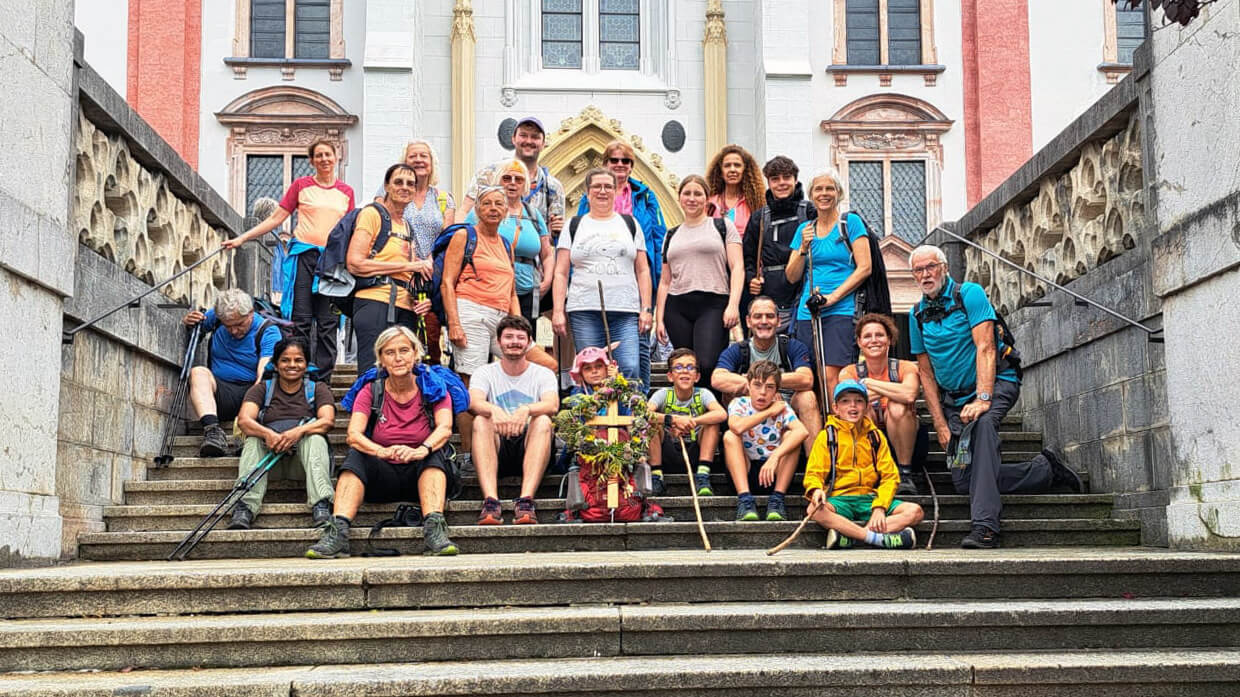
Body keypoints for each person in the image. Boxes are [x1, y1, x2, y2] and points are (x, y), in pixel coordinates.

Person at [908, 245, 1083, 549]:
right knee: (964, 481)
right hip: (954, 400)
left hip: (997, 382)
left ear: (944, 267)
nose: (925, 275)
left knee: (985, 426)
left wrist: (983, 397)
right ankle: (1044, 470)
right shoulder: (916, 314)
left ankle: (986, 527)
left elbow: (986, 346)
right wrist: (940, 425)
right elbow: (925, 373)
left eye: (930, 267)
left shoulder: (970, 294)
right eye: (919, 270)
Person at [307, 326, 458, 558]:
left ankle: (434, 531)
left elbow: (445, 428)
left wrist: (420, 450)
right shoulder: (370, 390)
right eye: (390, 352)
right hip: (381, 473)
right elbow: (353, 434)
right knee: (355, 456)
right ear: (380, 359)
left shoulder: (433, 386)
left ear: (416, 354)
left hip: (420, 470)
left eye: (404, 350)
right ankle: (337, 533)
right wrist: (380, 451)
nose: (398, 358)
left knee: (434, 455)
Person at [224, 139, 354, 380]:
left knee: (328, 323)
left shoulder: (346, 192)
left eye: (328, 154)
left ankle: (322, 379)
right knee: (300, 319)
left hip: (332, 261)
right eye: (319, 155)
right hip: (303, 255)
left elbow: (350, 229)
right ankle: (299, 374)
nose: (324, 159)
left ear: (336, 158)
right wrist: (242, 238)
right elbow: (276, 218)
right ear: (312, 161)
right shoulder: (301, 185)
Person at [576, 140, 667, 390]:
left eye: (625, 161)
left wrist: (657, 281)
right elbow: (579, 237)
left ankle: (641, 403)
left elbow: (658, 237)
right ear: (604, 164)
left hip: (637, 278)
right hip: (601, 282)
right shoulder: (594, 194)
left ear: (631, 166)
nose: (619, 165)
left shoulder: (645, 195)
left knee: (638, 347)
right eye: (613, 160)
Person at [554, 168, 653, 385]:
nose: (602, 191)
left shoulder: (630, 224)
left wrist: (646, 309)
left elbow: (643, 270)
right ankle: (596, 417)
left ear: (616, 191)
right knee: (591, 370)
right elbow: (560, 272)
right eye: (596, 186)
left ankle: (626, 418)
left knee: (629, 366)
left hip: (625, 310)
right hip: (584, 310)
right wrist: (558, 311)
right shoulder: (573, 225)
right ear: (587, 193)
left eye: (608, 186)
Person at [228, 337, 335, 530]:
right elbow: (244, 420)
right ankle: (244, 506)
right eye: (285, 360)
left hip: (303, 463)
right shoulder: (261, 389)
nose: (292, 365)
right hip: (268, 463)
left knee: (316, 438)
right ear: (276, 365)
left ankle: (321, 504)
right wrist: (268, 434)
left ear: (306, 364)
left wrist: (298, 432)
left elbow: (327, 421)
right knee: (252, 440)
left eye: (298, 360)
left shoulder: (318, 389)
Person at [785, 169, 872, 404]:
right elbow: (792, 276)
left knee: (833, 375)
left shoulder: (850, 223)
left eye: (829, 189)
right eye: (819, 189)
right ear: (811, 195)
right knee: (811, 376)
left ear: (838, 193)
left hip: (840, 308)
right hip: (808, 311)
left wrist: (832, 298)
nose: (824, 194)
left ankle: (837, 427)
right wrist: (803, 247)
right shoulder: (804, 229)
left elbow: (865, 267)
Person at [806, 380, 923, 549]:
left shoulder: (875, 436)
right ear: (836, 408)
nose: (852, 406)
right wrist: (816, 489)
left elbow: (890, 476)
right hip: (840, 498)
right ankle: (876, 538)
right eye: (845, 401)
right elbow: (814, 472)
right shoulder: (827, 436)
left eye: (859, 401)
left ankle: (852, 538)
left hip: (870, 498)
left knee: (915, 511)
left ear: (867, 406)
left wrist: (880, 507)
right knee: (814, 510)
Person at [470, 316, 559, 525]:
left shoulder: (542, 373)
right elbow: (473, 403)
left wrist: (526, 409)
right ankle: (491, 501)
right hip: (497, 448)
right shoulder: (485, 372)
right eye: (508, 337)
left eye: (520, 337)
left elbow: (552, 405)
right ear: (499, 342)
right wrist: (493, 410)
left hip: (532, 447)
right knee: (480, 421)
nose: (514, 342)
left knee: (543, 420)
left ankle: (526, 500)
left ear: (528, 343)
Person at [372, 139, 455, 364]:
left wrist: (427, 260)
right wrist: (413, 260)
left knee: (429, 333)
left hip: (428, 274)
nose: (418, 160)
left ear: (431, 163)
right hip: (397, 270)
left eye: (423, 156)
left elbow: (447, 238)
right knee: (395, 333)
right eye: (413, 156)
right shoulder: (388, 191)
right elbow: (381, 223)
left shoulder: (443, 198)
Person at [655, 175, 743, 387]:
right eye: (687, 193)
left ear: (706, 199)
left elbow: (737, 267)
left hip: (713, 302)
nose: (692, 198)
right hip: (677, 306)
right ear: (680, 198)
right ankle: (691, 415)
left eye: (697, 194)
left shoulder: (722, 226)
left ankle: (713, 417)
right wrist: (659, 319)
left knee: (706, 363)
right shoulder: (671, 234)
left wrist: (733, 305)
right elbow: (665, 280)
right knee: (685, 367)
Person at [349, 163, 434, 374]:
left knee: (404, 372)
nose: (405, 187)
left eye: (410, 184)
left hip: (405, 307)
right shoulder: (372, 214)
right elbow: (355, 262)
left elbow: (410, 275)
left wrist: (422, 300)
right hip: (374, 301)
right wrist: (409, 265)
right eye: (398, 182)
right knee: (373, 372)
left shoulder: (407, 225)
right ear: (386, 186)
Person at [713, 296, 822, 456]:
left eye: (770, 316)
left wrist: (769, 382)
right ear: (749, 321)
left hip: (785, 414)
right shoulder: (738, 350)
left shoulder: (791, 346)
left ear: (778, 321)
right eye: (758, 316)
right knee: (729, 392)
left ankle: (815, 467)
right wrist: (761, 388)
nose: (764, 321)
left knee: (808, 397)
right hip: (750, 414)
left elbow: (806, 379)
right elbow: (717, 378)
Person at [182, 290, 285, 457]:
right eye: (228, 326)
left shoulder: (268, 331)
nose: (234, 331)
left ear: (251, 313)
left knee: (266, 384)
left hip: (252, 394)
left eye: (240, 324)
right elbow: (197, 329)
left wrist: (249, 411)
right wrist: (190, 322)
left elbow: (263, 374)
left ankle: (248, 433)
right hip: (221, 393)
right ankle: (212, 432)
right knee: (198, 372)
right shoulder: (216, 317)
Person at [838, 313, 924, 496]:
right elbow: (848, 404)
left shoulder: (906, 367)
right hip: (865, 443)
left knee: (897, 406)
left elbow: (909, 395)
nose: (874, 340)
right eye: (867, 336)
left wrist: (868, 384)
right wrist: (893, 389)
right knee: (860, 408)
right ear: (860, 343)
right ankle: (871, 471)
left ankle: (904, 473)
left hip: (905, 443)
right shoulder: (848, 372)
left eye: (880, 335)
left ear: (890, 339)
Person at [465, 160, 552, 325]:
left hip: (526, 291)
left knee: (522, 341)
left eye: (518, 179)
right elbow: (465, 246)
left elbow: (547, 253)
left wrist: (547, 281)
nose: (512, 183)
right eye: (507, 178)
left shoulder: (533, 214)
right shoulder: (479, 212)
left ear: (525, 185)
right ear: (498, 181)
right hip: (488, 290)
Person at [722, 360, 808, 521]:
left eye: (769, 387)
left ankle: (777, 499)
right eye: (757, 385)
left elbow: (802, 431)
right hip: (745, 471)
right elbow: (737, 427)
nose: (762, 392)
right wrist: (768, 412)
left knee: (792, 436)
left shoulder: (782, 408)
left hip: (774, 473)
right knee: (729, 435)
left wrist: (775, 457)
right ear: (748, 386)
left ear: (776, 390)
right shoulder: (739, 403)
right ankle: (745, 500)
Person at [461, 116, 566, 242]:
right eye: (523, 135)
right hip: (489, 252)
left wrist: (557, 231)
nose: (529, 141)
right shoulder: (489, 174)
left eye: (535, 137)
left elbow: (554, 234)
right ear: (513, 139)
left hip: (530, 257)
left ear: (543, 144)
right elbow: (465, 211)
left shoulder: (552, 187)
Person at [743, 156, 816, 332]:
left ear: (795, 180)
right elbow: (748, 256)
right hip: (771, 292)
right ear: (769, 182)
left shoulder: (810, 211)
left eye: (786, 177)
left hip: (805, 287)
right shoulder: (759, 217)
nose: (781, 183)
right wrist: (751, 278)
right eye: (775, 179)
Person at [647, 348, 727, 497]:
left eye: (690, 367)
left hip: (695, 453)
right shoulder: (662, 394)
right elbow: (643, 414)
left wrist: (692, 421)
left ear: (697, 376)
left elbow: (721, 414)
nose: (684, 371)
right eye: (678, 367)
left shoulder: (703, 394)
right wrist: (673, 420)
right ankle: (656, 475)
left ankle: (703, 475)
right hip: (667, 451)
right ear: (670, 376)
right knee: (651, 423)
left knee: (712, 422)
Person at [706, 144, 764, 236]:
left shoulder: (755, 204)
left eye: (737, 165)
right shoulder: (710, 203)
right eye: (727, 165)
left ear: (744, 170)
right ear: (720, 171)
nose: (732, 169)